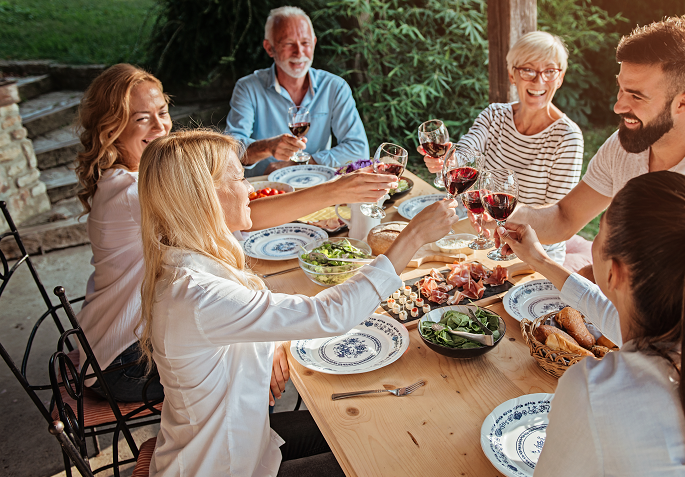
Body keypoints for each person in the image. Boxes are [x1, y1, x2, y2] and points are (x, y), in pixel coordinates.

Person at [135, 129, 458, 476]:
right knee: (380, 454)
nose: (250, 190)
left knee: (364, 427)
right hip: (221, 466)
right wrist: (413, 236)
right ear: (204, 197)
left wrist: (270, 336)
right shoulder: (197, 294)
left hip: (245, 445)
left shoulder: (184, 261)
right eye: (241, 178)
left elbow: (248, 313)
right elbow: (330, 315)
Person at [73, 63, 394, 402]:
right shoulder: (132, 194)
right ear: (111, 127)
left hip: (132, 334)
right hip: (122, 359)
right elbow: (242, 217)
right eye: (142, 119)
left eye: (163, 112)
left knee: (273, 335)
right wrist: (333, 190)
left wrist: (257, 152)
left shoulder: (135, 175)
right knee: (273, 357)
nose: (160, 126)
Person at [499, 171, 685, 476]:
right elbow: (614, 318)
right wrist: (540, 260)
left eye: (599, 234)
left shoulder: (594, 391)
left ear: (612, 272)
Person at [490, 16, 685, 275]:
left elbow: (664, 292)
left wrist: (580, 277)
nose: (618, 106)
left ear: (683, 103)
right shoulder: (625, 144)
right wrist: (514, 215)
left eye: (636, 96)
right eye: (621, 89)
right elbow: (564, 217)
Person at [421, 31, 583, 263]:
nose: (539, 81)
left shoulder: (568, 137)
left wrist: (504, 221)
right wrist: (448, 160)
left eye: (549, 71)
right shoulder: (494, 114)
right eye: (528, 70)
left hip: (535, 254)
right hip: (487, 240)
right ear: (512, 74)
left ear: (560, 77)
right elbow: (466, 151)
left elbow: (556, 217)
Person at [226, 6, 369, 176]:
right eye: (288, 43)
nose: (299, 52)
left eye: (305, 43)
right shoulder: (248, 88)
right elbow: (229, 151)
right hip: (265, 191)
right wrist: (267, 147)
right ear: (269, 48)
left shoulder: (335, 87)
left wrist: (301, 163)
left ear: (314, 43)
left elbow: (358, 150)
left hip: (316, 188)